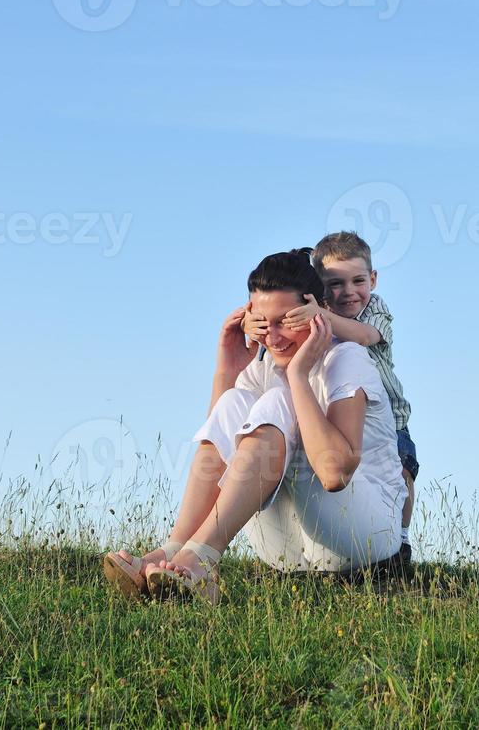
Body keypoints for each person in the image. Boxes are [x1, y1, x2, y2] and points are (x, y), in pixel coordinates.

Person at [103, 249, 407, 604]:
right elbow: (224, 454)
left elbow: (334, 474)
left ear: (317, 311)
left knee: (279, 402)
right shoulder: (262, 368)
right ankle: (177, 550)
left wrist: (297, 376)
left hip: (364, 537)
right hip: (287, 551)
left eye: (286, 321)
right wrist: (227, 370)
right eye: (263, 323)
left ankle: (199, 559)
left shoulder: (346, 357)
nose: (273, 338)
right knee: (235, 402)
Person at [245, 232, 417, 565]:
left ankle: (401, 538)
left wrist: (319, 318)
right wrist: (257, 320)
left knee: (403, 474)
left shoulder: (374, 312)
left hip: (391, 420)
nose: (348, 292)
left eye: (358, 280)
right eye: (335, 284)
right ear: (320, 290)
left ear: (374, 279)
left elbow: (365, 336)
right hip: (336, 407)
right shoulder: (314, 319)